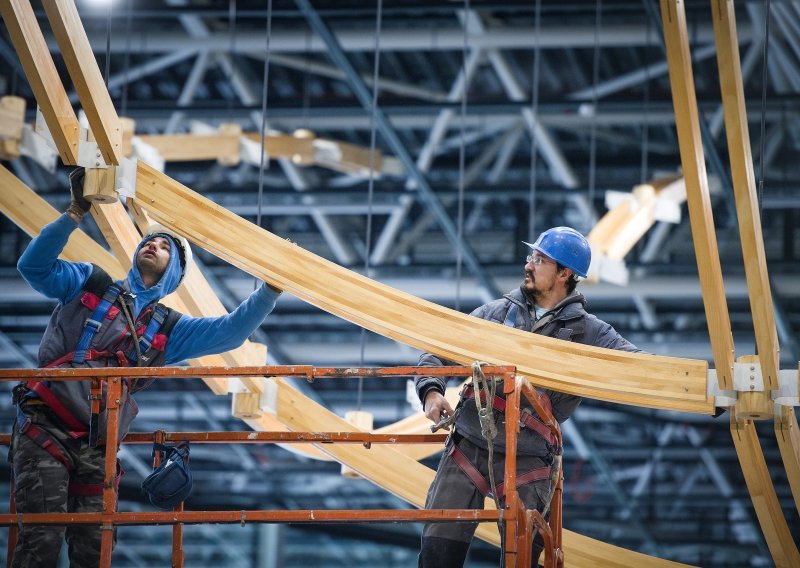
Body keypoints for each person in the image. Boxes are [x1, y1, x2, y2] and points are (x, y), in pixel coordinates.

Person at [10, 168, 281, 567]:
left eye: (165, 247)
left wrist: (270, 290)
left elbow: (231, 332)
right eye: (149, 241)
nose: (153, 245)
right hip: (45, 424)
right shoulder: (89, 283)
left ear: (173, 276)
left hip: (97, 446)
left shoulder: (168, 329)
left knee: (95, 548)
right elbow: (32, 268)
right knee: (41, 539)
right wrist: (73, 213)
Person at [415, 226, 641, 567]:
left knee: (523, 556)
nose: (529, 265)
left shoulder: (590, 334)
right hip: (470, 445)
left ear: (564, 273)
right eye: (530, 257)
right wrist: (432, 393)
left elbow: (642, 368)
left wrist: (701, 389)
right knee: (437, 554)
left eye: (539, 259)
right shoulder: (496, 315)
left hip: (529, 457)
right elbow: (438, 350)